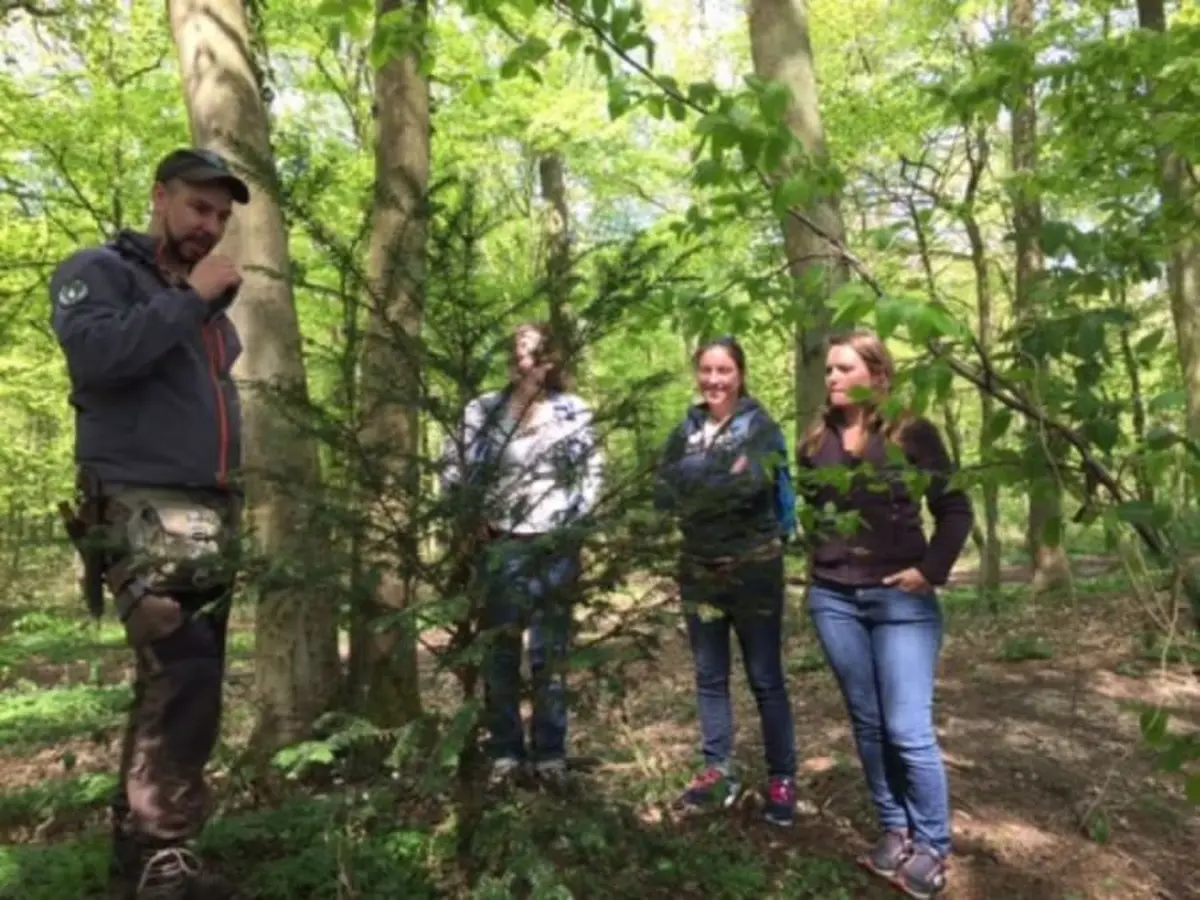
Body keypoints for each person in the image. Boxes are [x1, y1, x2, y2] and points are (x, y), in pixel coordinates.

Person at [50, 147, 250, 900]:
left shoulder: (200, 308)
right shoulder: (100, 271)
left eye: (222, 217)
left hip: (209, 507)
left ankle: (142, 855)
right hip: (139, 501)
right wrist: (190, 299)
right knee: (183, 670)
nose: (211, 226)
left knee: (185, 680)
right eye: (199, 208)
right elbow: (95, 358)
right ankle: (165, 853)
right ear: (160, 196)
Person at [796, 329, 973, 900]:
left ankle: (932, 846)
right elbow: (814, 514)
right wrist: (817, 564)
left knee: (908, 729)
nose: (832, 379)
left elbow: (954, 508)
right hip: (833, 600)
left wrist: (931, 570)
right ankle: (894, 829)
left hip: (902, 599)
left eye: (844, 368)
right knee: (868, 722)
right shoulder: (815, 440)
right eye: (828, 370)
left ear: (878, 374)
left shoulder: (912, 433)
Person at [441, 323, 604, 789]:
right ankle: (506, 754)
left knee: (550, 655)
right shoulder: (482, 411)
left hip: (555, 545)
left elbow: (592, 473)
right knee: (500, 654)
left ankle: (550, 754)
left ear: (549, 361)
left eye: (531, 353)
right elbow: (454, 468)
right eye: (515, 352)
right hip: (501, 546)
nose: (521, 361)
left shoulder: (574, 412)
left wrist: (573, 526)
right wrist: (472, 520)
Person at [654, 336, 800, 827]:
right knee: (709, 675)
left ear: (740, 374)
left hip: (754, 571)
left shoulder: (761, 428)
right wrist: (711, 474)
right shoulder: (684, 430)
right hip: (698, 574)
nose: (714, 380)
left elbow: (751, 485)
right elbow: (661, 492)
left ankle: (783, 776)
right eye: (707, 370)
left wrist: (696, 478)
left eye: (725, 371)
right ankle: (718, 769)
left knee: (764, 676)